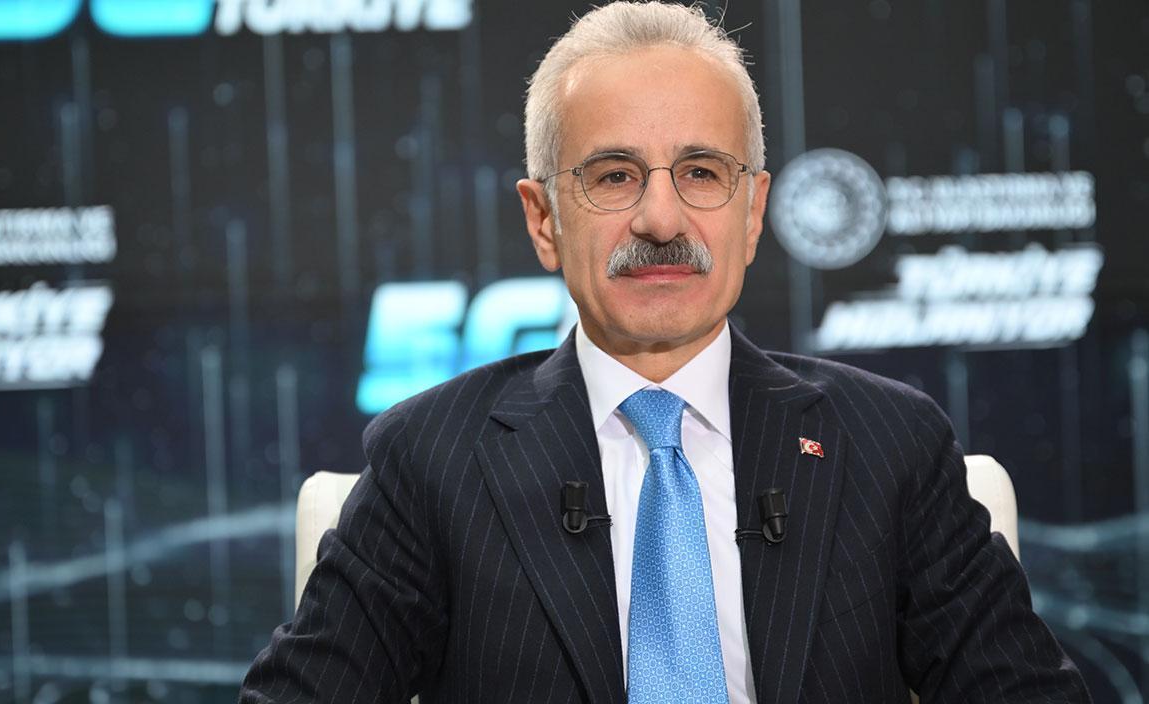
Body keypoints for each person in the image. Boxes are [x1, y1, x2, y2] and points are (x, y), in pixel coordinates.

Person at [241, 3, 1090, 702]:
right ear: (544, 220)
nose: (660, 219)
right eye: (613, 175)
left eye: (702, 172)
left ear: (752, 213)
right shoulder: (431, 460)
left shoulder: (889, 445)